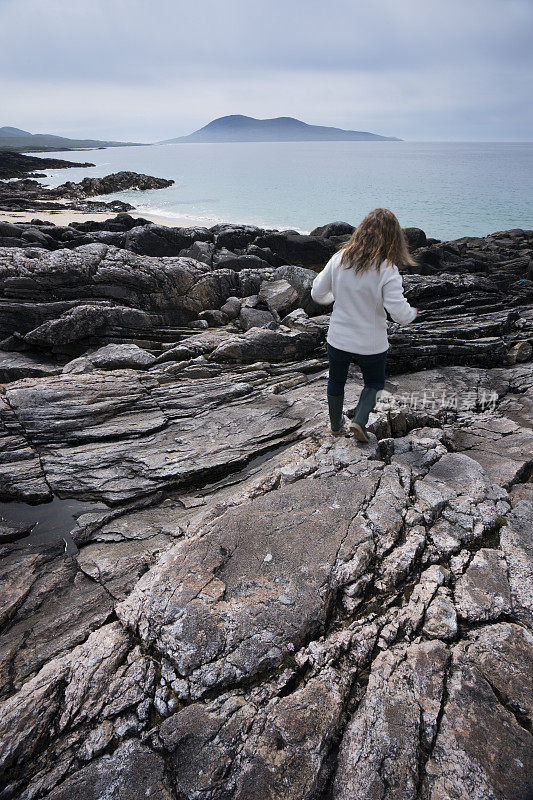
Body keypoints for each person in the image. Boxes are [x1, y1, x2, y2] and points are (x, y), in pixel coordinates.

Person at [310, 208, 418, 442]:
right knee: (375, 382)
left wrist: (333, 299)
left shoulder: (340, 258)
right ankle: (359, 420)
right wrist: (413, 314)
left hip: (338, 337)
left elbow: (317, 293)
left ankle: (336, 425)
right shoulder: (387, 268)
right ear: (393, 237)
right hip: (371, 343)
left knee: (336, 379)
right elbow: (398, 313)